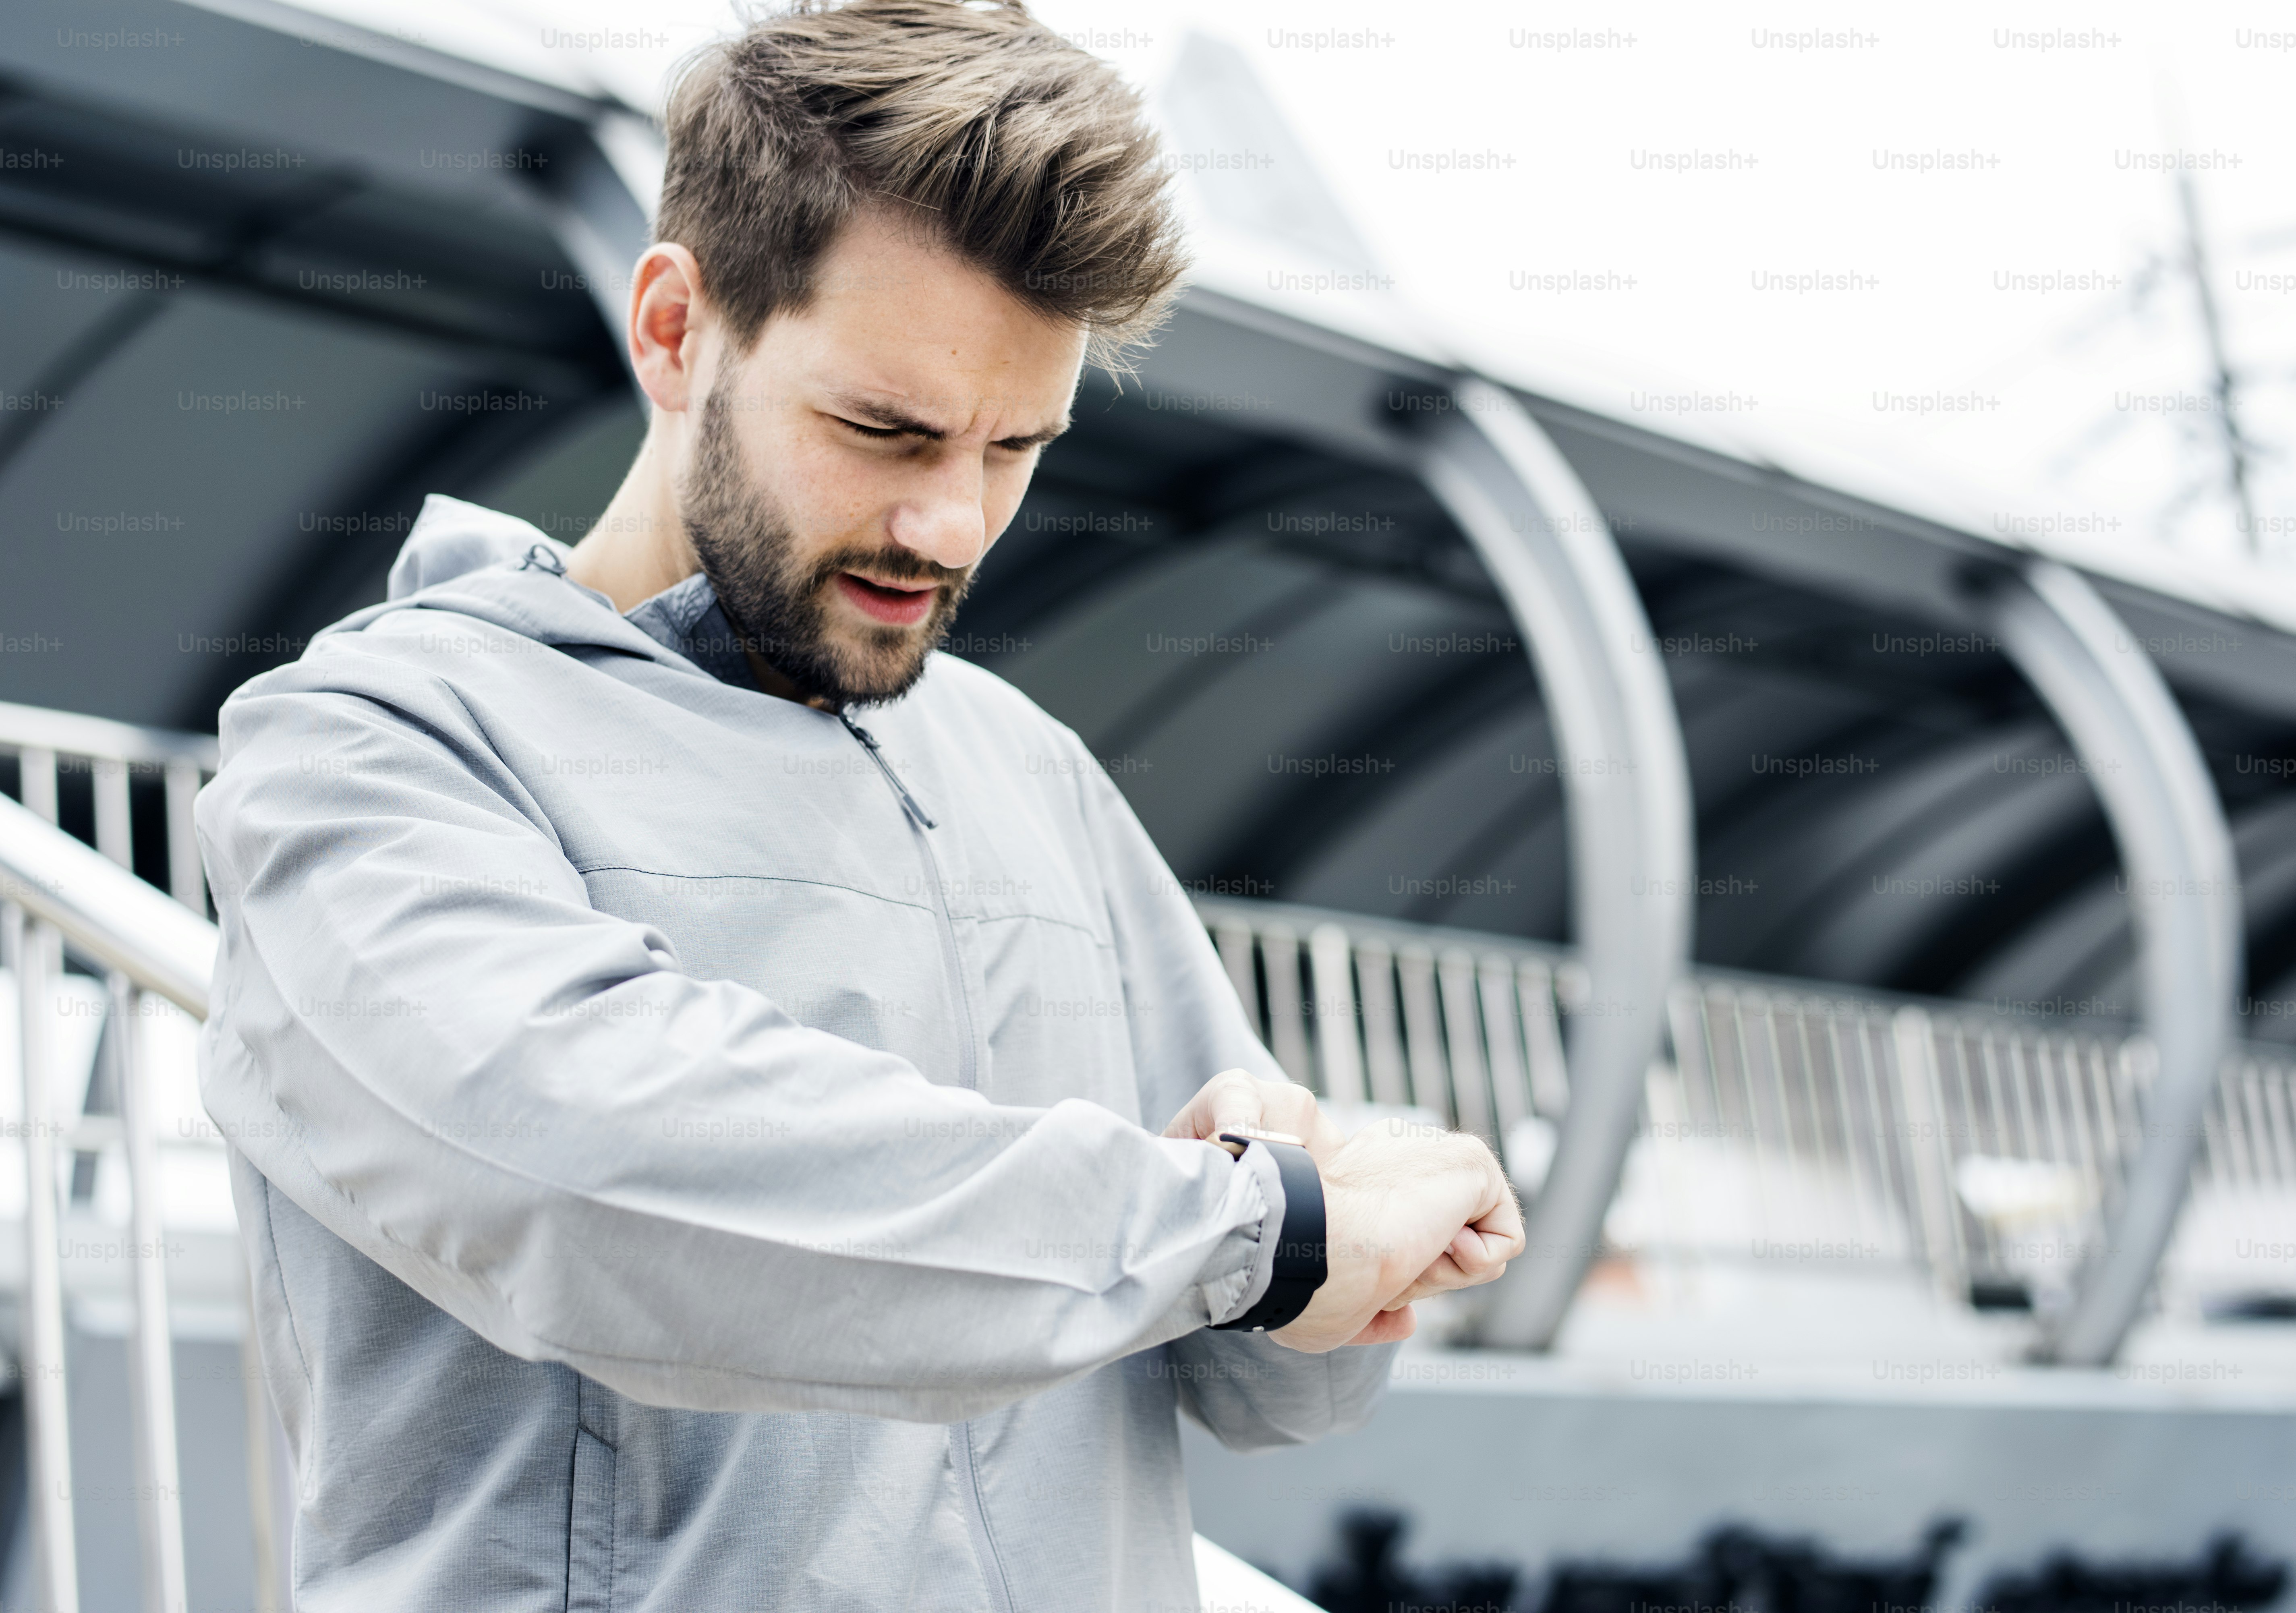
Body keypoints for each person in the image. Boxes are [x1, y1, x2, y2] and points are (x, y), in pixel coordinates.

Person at [196, 3, 1523, 1608]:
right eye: (882, 429)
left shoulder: (1029, 769)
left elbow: (1242, 1343)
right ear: (678, 330)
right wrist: (1251, 1231)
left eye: (1018, 446)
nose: (951, 524)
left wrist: (1330, 1266)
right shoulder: (372, 748)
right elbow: (602, 1184)